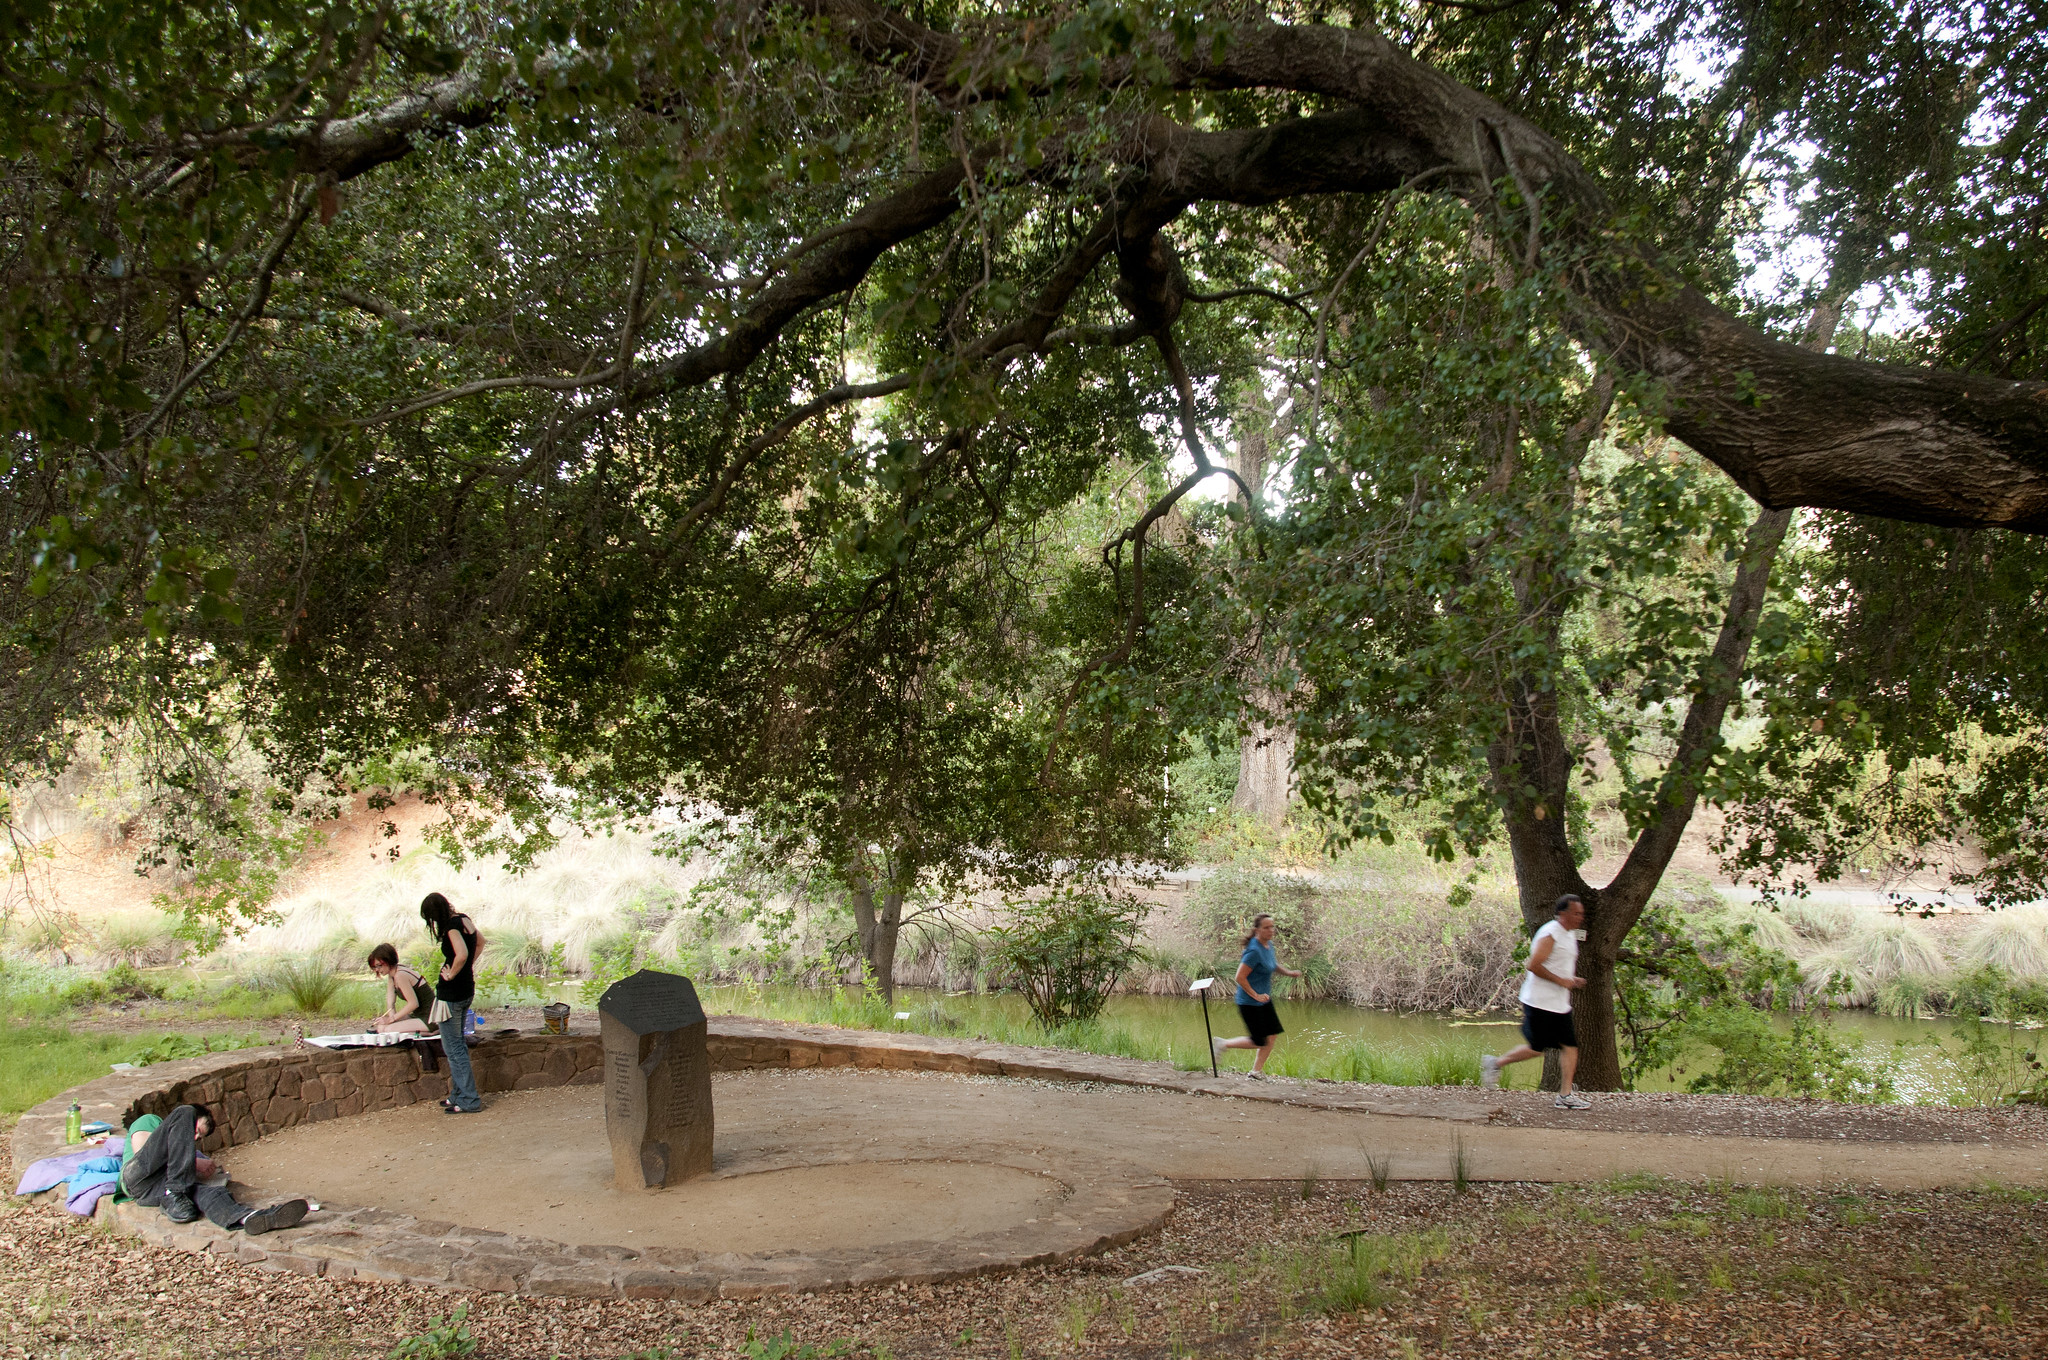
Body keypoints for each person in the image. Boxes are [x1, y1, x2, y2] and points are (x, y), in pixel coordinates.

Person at [119, 1103, 307, 1233]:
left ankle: (250, 1218)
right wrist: (193, 1162)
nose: (193, 1138)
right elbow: (141, 1155)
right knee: (184, 1111)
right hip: (138, 1179)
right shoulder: (150, 1121)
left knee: (213, 1193)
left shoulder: (183, 1154)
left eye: (198, 1138)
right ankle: (175, 1193)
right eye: (196, 1130)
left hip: (157, 1191)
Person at [1481, 894, 1593, 1109]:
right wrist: (1562, 981)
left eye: (1581, 913)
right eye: (1576, 913)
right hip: (1540, 1002)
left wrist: (1571, 980)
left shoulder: (1569, 934)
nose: (1580, 917)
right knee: (1536, 1048)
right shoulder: (1550, 934)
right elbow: (1533, 965)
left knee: (1570, 1046)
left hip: (1559, 1004)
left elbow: (1561, 963)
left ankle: (1565, 1096)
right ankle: (1495, 1063)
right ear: (1563, 914)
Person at [1212, 913, 1301, 1078]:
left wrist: (1288, 973)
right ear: (1257, 930)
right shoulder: (1253, 951)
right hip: (1249, 1002)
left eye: (1272, 926)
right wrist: (1256, 995)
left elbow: (1272, 965)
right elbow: (1239, 977)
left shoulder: (1268, 945)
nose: (1271, 930)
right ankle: (1223, 1043)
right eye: (1266, 927)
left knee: (1272, 1035)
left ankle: (1256, 1072)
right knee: (1259, 1041)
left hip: (1263, 1000)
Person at [421, 892, 486, 1114]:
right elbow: (480, 943)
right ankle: (457, 1095)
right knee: (456, 1044)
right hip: (467, 989)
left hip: (452, 994)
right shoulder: (463, 919)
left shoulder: (450, 927)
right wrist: (467, 967)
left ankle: (469, 1099)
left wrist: (452, 974)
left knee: (454, 1047)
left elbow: (461, 953)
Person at [367, 942, 435, 1034]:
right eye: (375, 967)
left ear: (388, 961)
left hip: (430, 1017)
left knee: (389, 1031)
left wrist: (391, 1020)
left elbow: (413, 1004)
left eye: (379, 965)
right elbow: (390, 1003)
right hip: (418, 1015)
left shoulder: (400, 975)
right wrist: (390, 1020)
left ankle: (428, 1033)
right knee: (381, 1027)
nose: (377, 970)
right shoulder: (392, 975)